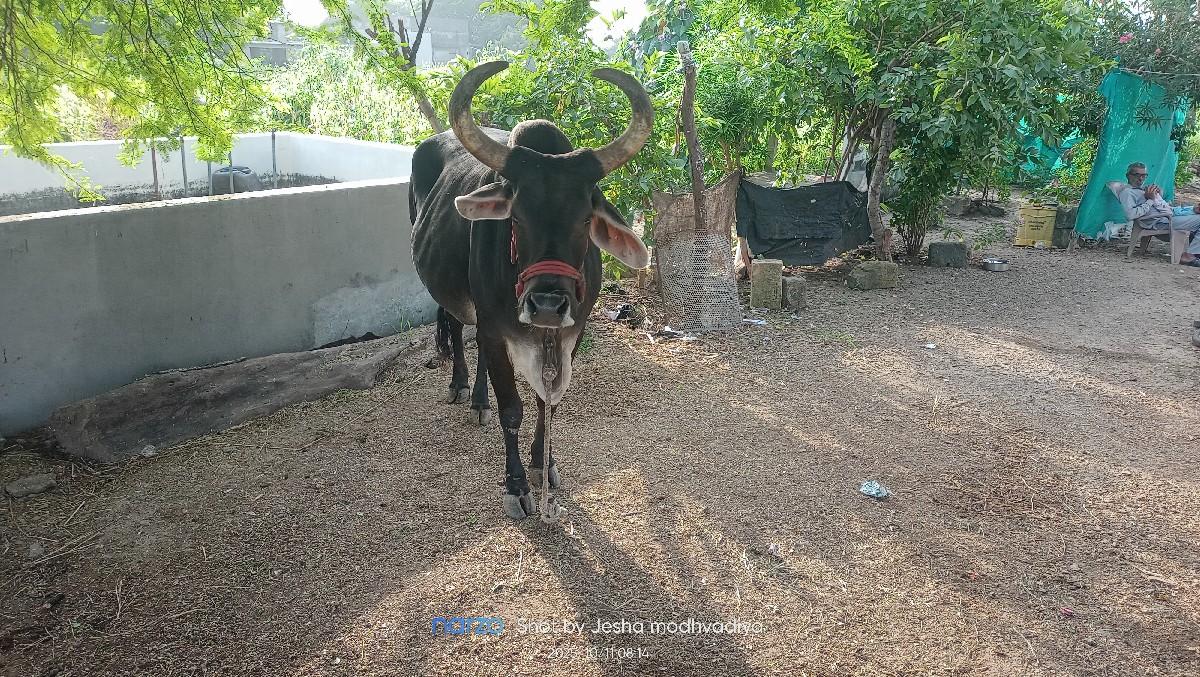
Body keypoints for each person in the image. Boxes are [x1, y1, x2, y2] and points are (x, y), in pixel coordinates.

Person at [1118, 162, 1200, 266]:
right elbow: (1130, 215)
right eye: (1137, 175)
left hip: (1167, 217)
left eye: (1144, 175)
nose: (1141, 178)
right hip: (1158, 222)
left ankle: (1195, 253)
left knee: (1196, 214)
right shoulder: (1127, 192)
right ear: (1128, 175)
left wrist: (1192, 209)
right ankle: (1188, 256)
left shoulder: (1144, 190)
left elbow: (1167, 209)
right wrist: (1150, 200)